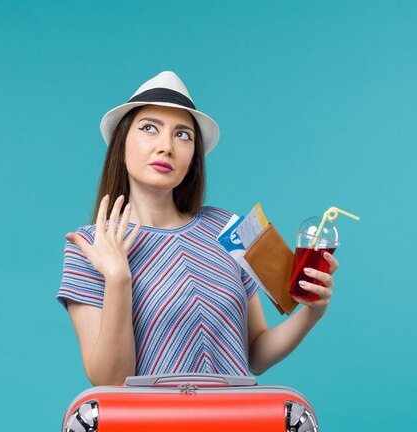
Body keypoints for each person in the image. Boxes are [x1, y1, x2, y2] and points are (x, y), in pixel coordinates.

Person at [56, 71, 339, 386]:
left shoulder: (229, 229)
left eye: (182, 135)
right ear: (122, 143)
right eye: (149, 128)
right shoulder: (90, 246)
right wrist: (118, 277)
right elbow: (110, 382)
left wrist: (312, 313)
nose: (166, 147)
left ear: (193, 156)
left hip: (235, 427)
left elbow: (255, 354)